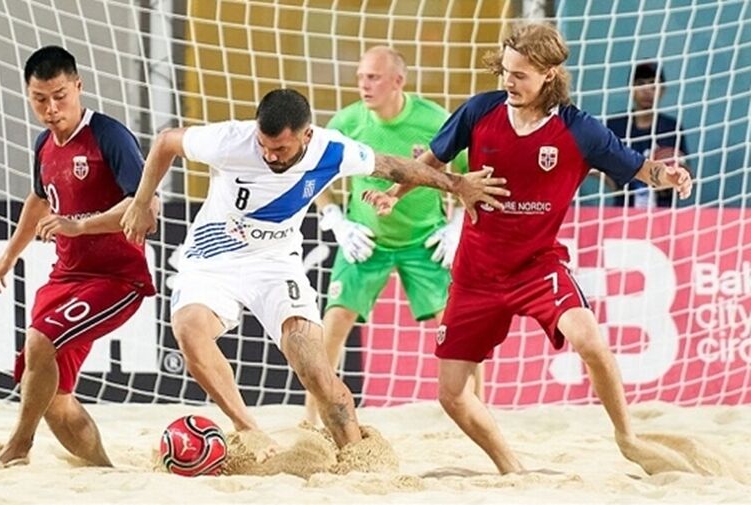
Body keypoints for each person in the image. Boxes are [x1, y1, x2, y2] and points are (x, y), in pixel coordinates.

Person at [363, 23, 693, 475]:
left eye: (519, 74)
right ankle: (511, 469)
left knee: (591, 342)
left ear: (550, 74)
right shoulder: (480, 111)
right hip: (477, 272)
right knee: (451, 393)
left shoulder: (581, 132)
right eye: (504, 70)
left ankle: (628, 438)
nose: (507, 82)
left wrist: (667, 175)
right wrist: (393, 195)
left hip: (537, 266)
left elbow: (639, 169)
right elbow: (433, 162)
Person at [120, 89, 508, 455]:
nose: (270, 156)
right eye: (264, 146)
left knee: (316, 370)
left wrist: (455, 183)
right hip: (213, 259)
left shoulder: (330, 149)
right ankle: (248, 428)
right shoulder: (231, 139)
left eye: (281, 148)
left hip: (276, 264)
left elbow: (392, 166)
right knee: (189, 329)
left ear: (306, 135)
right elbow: (167, 140)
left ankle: (357, 455)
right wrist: (140, 202)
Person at [0, 46, 156, 467]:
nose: (51, 108)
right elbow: (39, 201)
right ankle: (103, 470)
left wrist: (79, 225)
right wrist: (9, 256)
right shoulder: (44, 144)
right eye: (40, 98)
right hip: (67, 277)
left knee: (40, 342)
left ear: (78, 86)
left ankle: (17, 447)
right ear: (29, 95)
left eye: (60, 95)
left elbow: (145, 210)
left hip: (117, 278)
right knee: (52, 395)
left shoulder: (109, 136)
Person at [304, 46, 476, 425]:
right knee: (330, 325)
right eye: (361, 76)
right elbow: (311, 174)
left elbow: (468, 174)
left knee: (459, 330)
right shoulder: (348, 122)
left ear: (398, 81)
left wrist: (457, 226)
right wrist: (336, 220)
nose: (362, 84)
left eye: (373, 77)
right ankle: (310, 422)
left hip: (425, 241)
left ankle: (478, 415)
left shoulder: (435, 120)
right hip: (366, 240)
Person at [606, 61, 689, 207]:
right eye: (640, 84)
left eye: (653, 84)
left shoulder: (671, 128)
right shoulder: (615, 126)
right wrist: (609, 179)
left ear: (662, 90)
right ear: (631, 88)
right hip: (624, 210)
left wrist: (677, 173)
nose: (647, 90)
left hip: (663, 211)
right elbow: (592, 162)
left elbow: (686, 169)